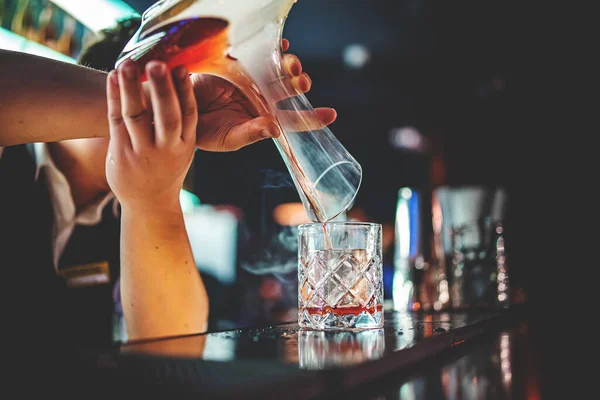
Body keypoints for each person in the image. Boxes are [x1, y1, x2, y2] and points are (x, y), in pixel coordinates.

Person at [0, 17, 336, 346]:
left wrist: (153, 201)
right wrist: (142, 107)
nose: (173, 135)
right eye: (170, 106)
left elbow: (175, 350)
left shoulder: (124, 204)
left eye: (179, 115)